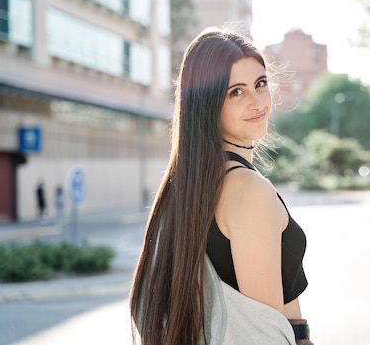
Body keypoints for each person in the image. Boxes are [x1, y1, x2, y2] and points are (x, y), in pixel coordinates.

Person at [130, 27, 313, 345]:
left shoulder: (189, 186)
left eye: (260, 84)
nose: (258, 102)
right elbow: (262, 336)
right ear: (208, 105)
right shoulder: (247, 189)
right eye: (236, 92)